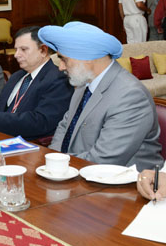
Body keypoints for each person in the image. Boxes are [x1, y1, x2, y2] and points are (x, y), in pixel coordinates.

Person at [39, 22, 164, 170]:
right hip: (79, 172)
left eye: (64, 59)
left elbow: (106, 158)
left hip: (125, 185)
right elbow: (65, 125)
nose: (61, 67)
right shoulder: (83, 84)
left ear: (87, 57)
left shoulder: (130, 96)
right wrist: (53, 159)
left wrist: (59, 166)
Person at [0, 26, 73, 140]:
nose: (16, 55)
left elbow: (40, 121)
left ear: (43, 50)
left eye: (23, 49)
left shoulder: (57, 79)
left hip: (28, 143)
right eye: (16, 49)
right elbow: (2, 103)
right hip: (0, 136)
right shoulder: (18, 76)